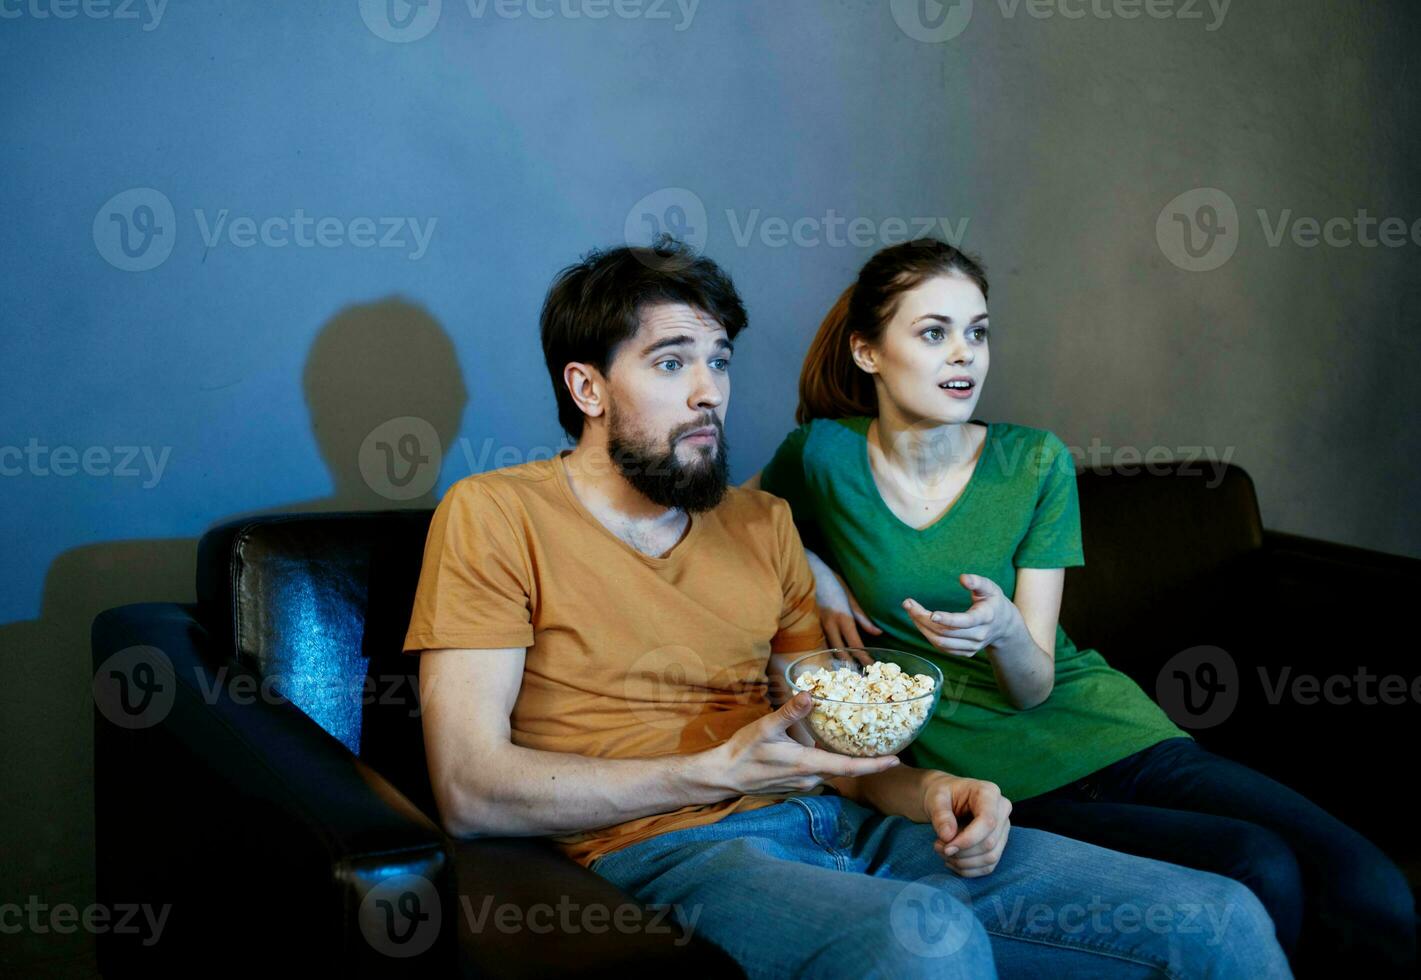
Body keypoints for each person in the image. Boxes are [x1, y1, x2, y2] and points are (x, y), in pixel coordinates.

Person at [403, 236, 1291, 978]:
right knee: (929, 946)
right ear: (587, 388)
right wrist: (712, 772)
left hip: (853, 827)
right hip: (667, 850)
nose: (709, 389)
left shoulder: (763, 523)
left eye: (718, 360)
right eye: (671, 363)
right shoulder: (495, 514)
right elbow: (470, 788)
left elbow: (840, 749)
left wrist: (940, 788)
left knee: (1215, 917)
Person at [749, 237, 1415, 978]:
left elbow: (1032, 683)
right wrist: (815, 569)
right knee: (1258, 865)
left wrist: (1003, 628)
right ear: (868, 352)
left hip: (1109, 726)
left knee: (1367, 884)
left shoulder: (1034, 461)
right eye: (933, 333)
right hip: (1001, 783)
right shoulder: (821, 456)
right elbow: (740, 519)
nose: (964, 355)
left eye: (977, 332)